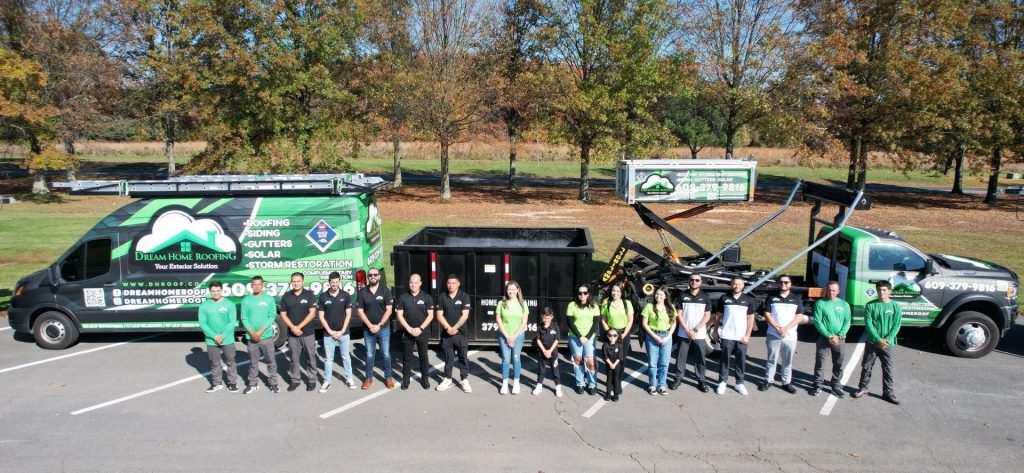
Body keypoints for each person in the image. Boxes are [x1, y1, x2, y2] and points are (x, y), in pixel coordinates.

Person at [854, 281, 902, 404]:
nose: (882, 292)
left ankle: (888, 392)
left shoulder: (896, 306)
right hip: (872, 342)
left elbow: (896, 325)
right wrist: (877, 339)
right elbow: (868, 324)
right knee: (866, 366)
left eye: (885, 290)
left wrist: (887, 339)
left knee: (888, 369)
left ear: (890, 291)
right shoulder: (870, 305)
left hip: (888, 344)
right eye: (879, 290)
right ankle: (863, 388)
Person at [759, 275, 804, 394]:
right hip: (773, 334)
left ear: (790, 284)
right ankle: (768, 380)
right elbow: (767, 314)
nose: (783, 284)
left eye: (786, 282)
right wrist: (777, 328)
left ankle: (786, 382)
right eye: (781, 282)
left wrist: (786, 328)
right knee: (771, 359)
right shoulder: (772, 297)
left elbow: (799, 316)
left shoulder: (796, 298)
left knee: (787, 361)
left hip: (790, 336)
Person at [715, 277, 758, 396]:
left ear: (743, 285)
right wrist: (715, 331)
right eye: (734, 284)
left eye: (739, 284)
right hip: (727, 335)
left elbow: (750, 319)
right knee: (724, 359)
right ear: (731, 284)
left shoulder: (748, 300)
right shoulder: (724, 298)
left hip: (741, 336)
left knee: (740, 359)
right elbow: (718, 316)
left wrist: (747, 335)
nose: (737, 286)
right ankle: (722, 382)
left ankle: (739, 383)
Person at [670, 273, 711, 393]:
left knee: (700, 358)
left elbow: (707, 316)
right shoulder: (682, 295)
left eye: (697, 280)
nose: (694, 282)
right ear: (689, 281)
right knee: (681, 357)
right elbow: (679, 315)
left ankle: (701, 379)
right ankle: (678, 378)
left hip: (699, 333)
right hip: (684, 333)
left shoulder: (705, 297)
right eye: (692, 280)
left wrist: (695, 329)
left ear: (700, 282)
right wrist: (687, 330)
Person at [278, 272, 318, 392]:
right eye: (293, 281)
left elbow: (312, 313)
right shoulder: (286, 296)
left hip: (308, 332)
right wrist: (292, 327)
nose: (296, 283)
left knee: (310, 357)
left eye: (298, 281)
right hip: (292, 334)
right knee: (294, 358)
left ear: (303, 281)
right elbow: (283, 314)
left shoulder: (309, 294)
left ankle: (311, 380)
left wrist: (299, 327)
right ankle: (295, 380)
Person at [317, 271, 356, 393]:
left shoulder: (346, 295)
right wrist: (329, 331)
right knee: (329, 359)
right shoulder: (323, 297)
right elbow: (321, 316)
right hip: (329, 334)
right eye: (332, 282)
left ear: (339, 282)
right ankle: (326, 381)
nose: (334, 284)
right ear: (329, 282)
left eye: (337, 282)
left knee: (345, 357)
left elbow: (348, 314)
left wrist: (342, 331)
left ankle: (349, 379)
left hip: (343, 333)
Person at [356, 268, 395, 390]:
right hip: (368, 330)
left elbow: (389, 310)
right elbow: (359, 311)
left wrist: (378, 325)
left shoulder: (385, 291)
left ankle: (388, 377)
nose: (373, 276)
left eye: (375, 274)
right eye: (370, 275)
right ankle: (368, 378)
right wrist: (369, 325)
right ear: (368, 277)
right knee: (369, 354)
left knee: (385, 353)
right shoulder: (362, 292)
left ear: (379, 277)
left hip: (383, 329)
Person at [811, 280, 851, 397]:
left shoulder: (844, 304)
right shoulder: (820, 304)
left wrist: (839, 336)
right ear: (825, 290)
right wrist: (829, 336)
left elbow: (847, 322)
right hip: (824, 339)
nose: (831, 292)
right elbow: (818, 322)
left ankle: (836, 386)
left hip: (840, 339)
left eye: (833, 290)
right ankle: (818, 385)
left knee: (838, 363)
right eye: (829, 290)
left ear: (838, 291)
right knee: (820, 363)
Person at [240, 276, 279, 394]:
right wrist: (252, 332)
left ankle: (273, 383)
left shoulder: (269, 299)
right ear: (251, 285)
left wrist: (261, 331)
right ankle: (252, 383)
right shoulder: (246, 300)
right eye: (254, 284)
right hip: (251, 338)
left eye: (259, 284)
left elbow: (272, 316)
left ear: (262, 285)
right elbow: (244, 318)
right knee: (253, 362)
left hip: (266, 336)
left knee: (271, 361)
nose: (256, 286)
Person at [395, 273, 434, 390]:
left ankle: (425, 380)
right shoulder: (403, 298)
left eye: (416, 282)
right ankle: (405, 381)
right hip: (408, 332)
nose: (413, 285)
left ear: (420, 283)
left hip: (422, 332)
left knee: (423, 356)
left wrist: (420, 328)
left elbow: (431, 315)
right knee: (407, 357)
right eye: (411, 282)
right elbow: (399, 315)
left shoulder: (427, 297)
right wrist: (409, 329)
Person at [434, 274, 472, 393]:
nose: (451, 285)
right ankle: (447, 379)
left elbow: (465, 315)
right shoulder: (442, 297)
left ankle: (464, 380)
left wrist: (454, 328)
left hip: (461, 333)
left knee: (462, 357)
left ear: (458, 284)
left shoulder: (464, 296)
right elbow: (439, 315)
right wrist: (448, 327)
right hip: (447, 333)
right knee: (448, 357)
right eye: (449, 283)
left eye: (453, 283)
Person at [198, 280, 238, 393]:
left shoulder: (229, 304)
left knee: (230, 361)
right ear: (210, 291)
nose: (215, 293)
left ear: (221, 290)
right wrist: (214, 336)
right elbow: (202, 323)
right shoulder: (204, 306)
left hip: (227, 339)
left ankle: (233, 383)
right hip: (212, 340)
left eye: (218, 290)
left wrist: (223, 335)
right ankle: (216, 383)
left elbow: (232, 322)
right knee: (215, 363)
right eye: (213, 291)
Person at [566, 284, 601, 395]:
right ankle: (580, 383)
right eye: (580, 293)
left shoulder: (594, 306)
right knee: (578, 360)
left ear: (589, 294)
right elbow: (570, 322)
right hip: (575, 337)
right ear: (577, 294)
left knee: (590, 361)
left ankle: (592, 384)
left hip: (589, 338)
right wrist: (580, 336)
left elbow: (595, 324)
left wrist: (586, 337)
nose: (582, 295)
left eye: (585, 293)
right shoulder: (572, 305)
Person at [641, 287, 676, 395]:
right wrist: (655, 336)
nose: (658, 296)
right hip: (652, 337)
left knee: (664, 364)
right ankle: (652, 385)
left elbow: (673, 323)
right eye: (657, 294)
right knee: (652, 363)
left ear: (665, 296)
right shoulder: (649, 306)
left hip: (666, 337)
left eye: (661, 295)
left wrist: (668, 336)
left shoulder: (670, 307)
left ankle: (661, 385)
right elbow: (644, 324)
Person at [496, 280, 529, 395]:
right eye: (509, 289)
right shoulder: (501, 303)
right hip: (503, 335)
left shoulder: (523, 303)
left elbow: (524, 322)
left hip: (518, 335)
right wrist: (507, 336)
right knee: (505, 359)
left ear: (518, 290)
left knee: (515, 358)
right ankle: (504, 384)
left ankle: (516, 383)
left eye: (513, 289)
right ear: (506, 291)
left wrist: (514, 337)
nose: (511, 291)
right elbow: (498, 320)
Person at [532, 306, 562, 397]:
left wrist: (549, 351)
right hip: (542, 353)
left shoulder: (555, 327)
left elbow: (557, 340)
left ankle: (558, 388)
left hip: (553, 353)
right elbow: (538, 340)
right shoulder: (539, 327)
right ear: (542, 317)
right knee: (541, 370)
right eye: (544, 318)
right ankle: (539, 386)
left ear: (552, 317)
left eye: (548, 318)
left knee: (555, 371)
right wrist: (544, 351)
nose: (546, 320)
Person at [600, 282, 634, 361]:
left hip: (623, 333)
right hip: (610, 334)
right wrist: (610, 334)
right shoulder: (606, 303)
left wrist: (624, 335)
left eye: (618, 291)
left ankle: (620, 374)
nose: (615, 293)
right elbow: (603, 320)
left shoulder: (627, 303)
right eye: (613, 291)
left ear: (622, 292)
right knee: (610, 358)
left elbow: (630, 320)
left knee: (622, 359)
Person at [602, 328, 625, 402]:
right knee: (609, 379)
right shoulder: (605, 345)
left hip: (617, 364)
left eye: (615, 335)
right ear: (607, 336)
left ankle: (615, 394)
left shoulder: (619, 345)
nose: (612, 337)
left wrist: (614, 364)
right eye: (610, 335)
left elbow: (620, 357)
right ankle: (608, 394)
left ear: (618, 336)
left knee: (616, 379)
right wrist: (610, 364)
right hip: (609, 364)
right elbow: (605, 356)